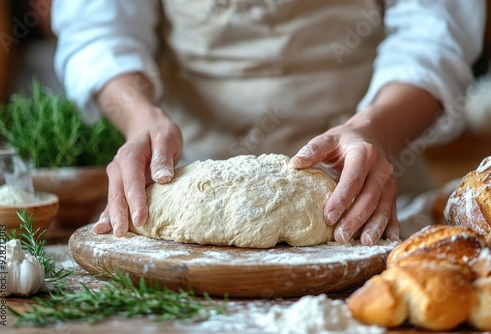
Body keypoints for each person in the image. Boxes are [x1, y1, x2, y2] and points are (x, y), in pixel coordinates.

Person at [51, 0, 485, 245]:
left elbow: (434, 31)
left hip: (369, 185)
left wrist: (375, 130)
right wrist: (139, 119)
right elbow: (97, 27)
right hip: (183, 171)